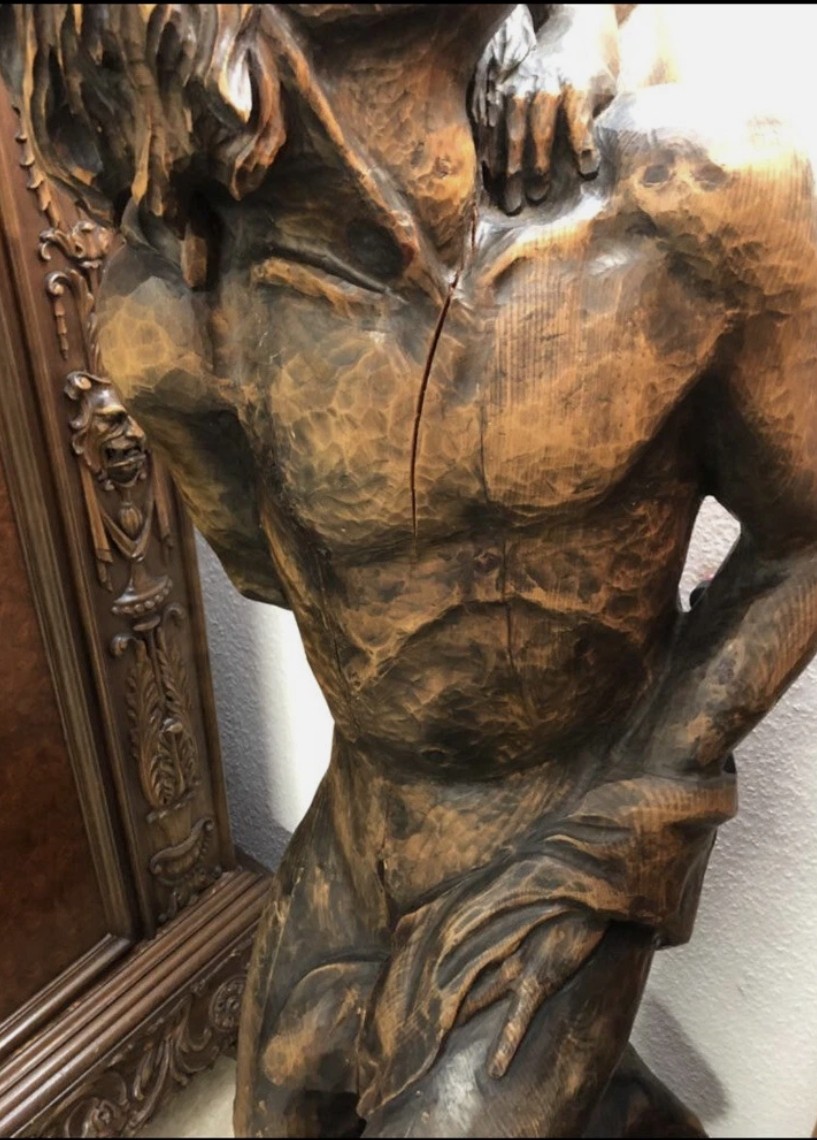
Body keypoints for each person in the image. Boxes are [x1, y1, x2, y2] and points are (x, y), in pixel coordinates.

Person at [4, 4, 817, 1135]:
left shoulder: (699, 197)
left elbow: (804, 538)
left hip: (584, 798)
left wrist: (627, 823)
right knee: (275, 1121)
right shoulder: (169, 326)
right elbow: (272, 575)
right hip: (368, 807)